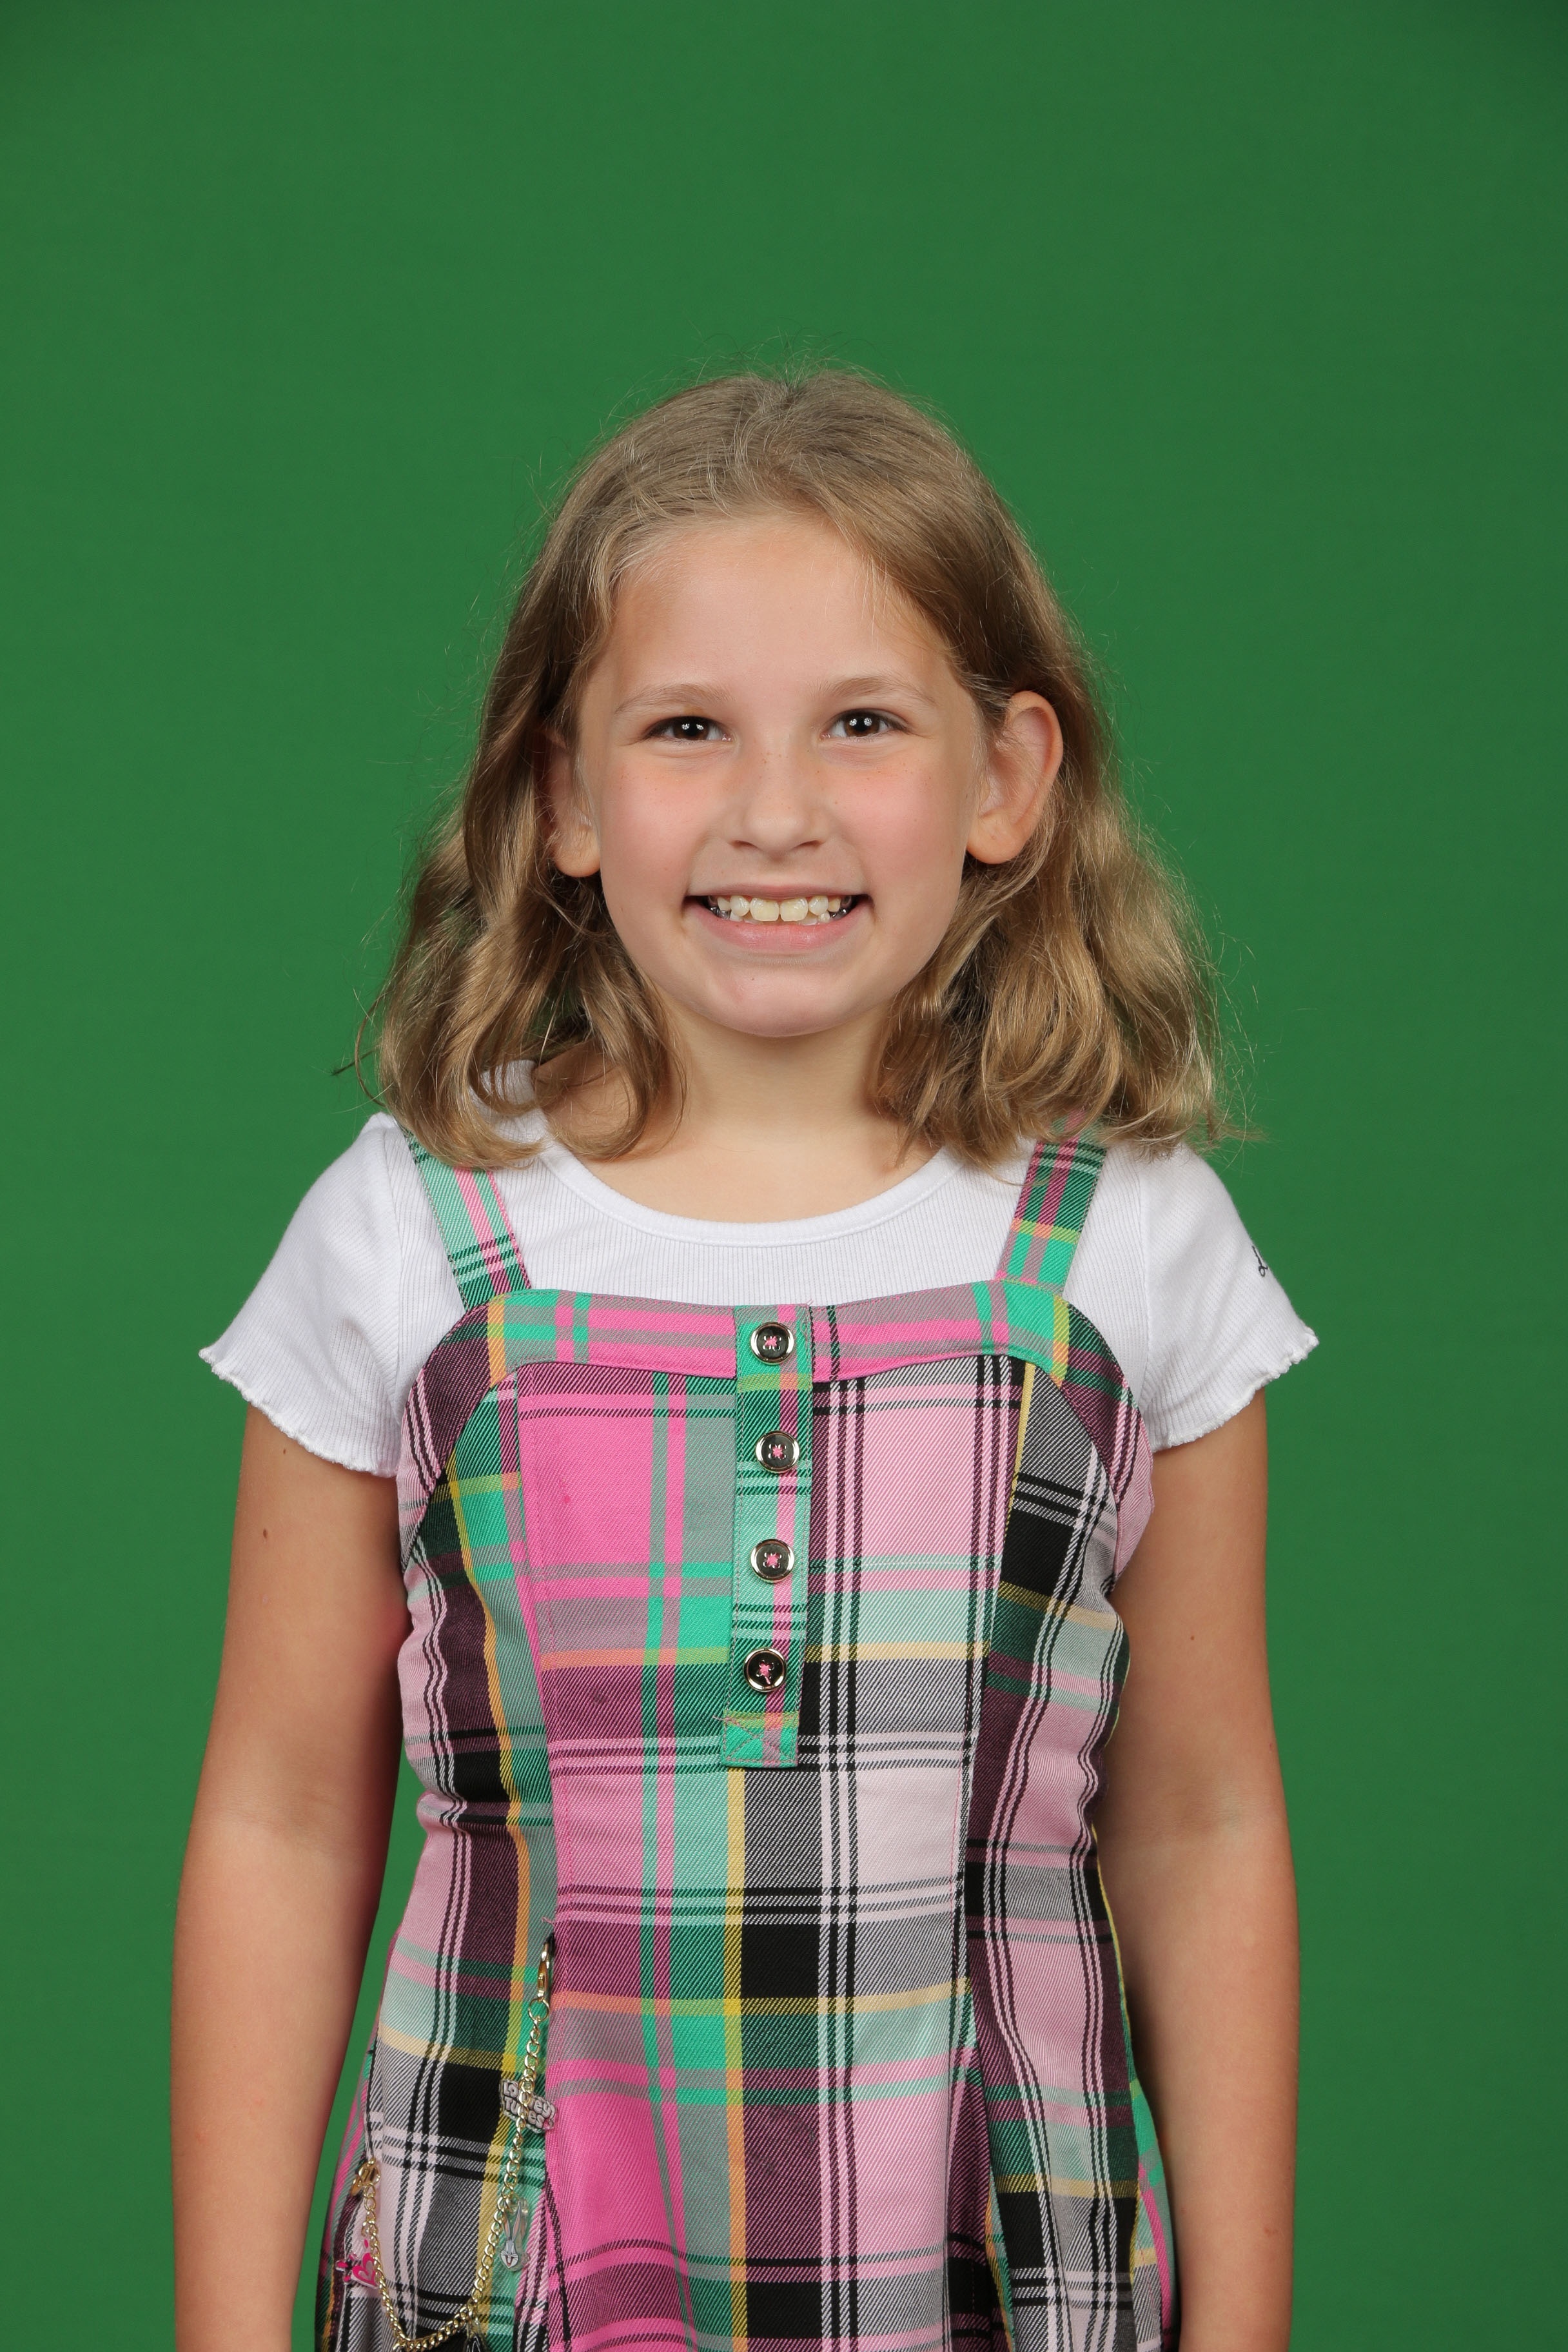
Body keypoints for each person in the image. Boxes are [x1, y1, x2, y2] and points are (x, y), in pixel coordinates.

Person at [173, 369, 1313, 2352]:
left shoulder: (1133, 1242)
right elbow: (281, 1814)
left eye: (863, 723)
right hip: (497, 2282)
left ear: (1006, 779)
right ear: (562, 795)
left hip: (997, 2286)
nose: (775, 810)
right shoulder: (409, 1230)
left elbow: (1203, 1818)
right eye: (687, 727)